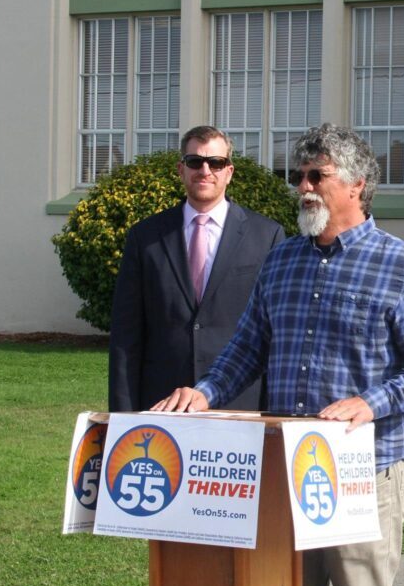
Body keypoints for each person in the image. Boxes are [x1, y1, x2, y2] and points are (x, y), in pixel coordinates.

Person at [152, 123, 404, 586]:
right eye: (300, 177)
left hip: (364, 474)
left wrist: (371, 402)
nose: (304, 188)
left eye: (318, 176)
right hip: (287, 473)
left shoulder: (401, 263)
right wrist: (204, 391)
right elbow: (248, 347)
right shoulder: (281, 260)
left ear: (357, 185)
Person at [108, 125, 284, 412]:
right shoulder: (145, 237)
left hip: (238, 404)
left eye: (216, 162)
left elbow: (274, 335)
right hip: (161, 403)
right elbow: (126, 335)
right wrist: (122, 416)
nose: (205, 170)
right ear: (181, 169)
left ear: (229, 172)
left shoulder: (266, 236)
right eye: (195, 162)